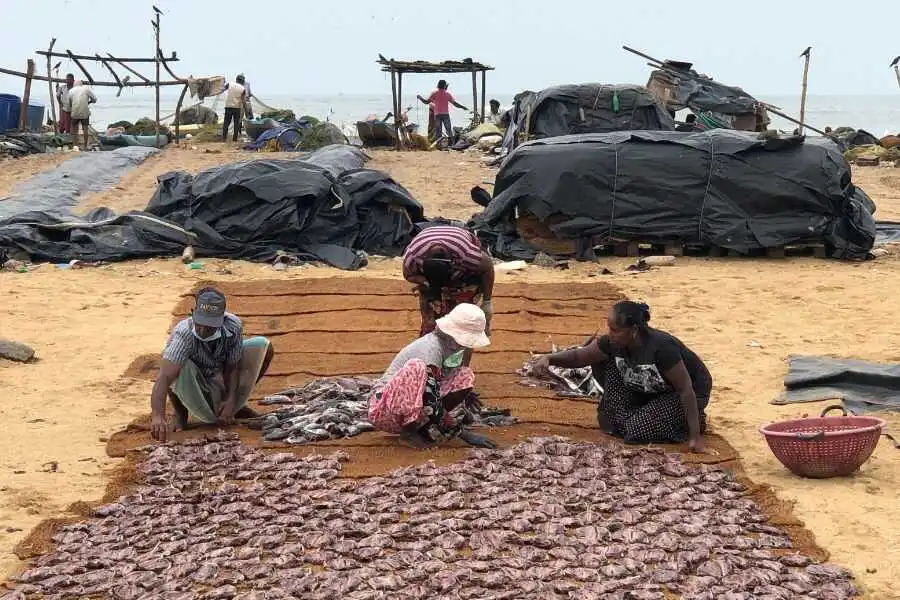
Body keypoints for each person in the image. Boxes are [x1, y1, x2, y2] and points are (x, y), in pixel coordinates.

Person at [533, 301, 711, 452]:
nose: (610, 334)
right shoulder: (613, 343)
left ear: (633, 330)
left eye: (616, 330)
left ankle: (692, 422)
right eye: (609, 329)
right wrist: (549, 359)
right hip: (649, 388)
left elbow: (685, 389)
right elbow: (580, 357)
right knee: (609, 421)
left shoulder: (662, 347)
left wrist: (695, 437)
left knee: (638, 430)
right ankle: (650, 412)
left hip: (687, 393)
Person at [149, 287, 275, 442]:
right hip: (193, 380)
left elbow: (232, 367)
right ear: (193, 313)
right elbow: (164, 377)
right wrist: (157, 416)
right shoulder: (185, 334)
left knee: (264, 346)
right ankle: (180, 412)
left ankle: (237, 406)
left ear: (222, 320)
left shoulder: (233, 327)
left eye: (209, 326)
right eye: (199, 323)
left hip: (217, 373)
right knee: (177, 365)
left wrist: (231, 399)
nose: (202, 330)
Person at [368, 303, 496, 449]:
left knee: (464, 375)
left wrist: (463, 398)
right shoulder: (431, 349)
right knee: (416, 367)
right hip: (384, 410)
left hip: (413, 409)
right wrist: (462, 433)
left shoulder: (449, 348)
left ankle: (421, 427)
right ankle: (408, 432)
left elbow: (441, 384)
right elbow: (431, 398)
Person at [402, 225, 495, 339]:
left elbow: (488, 268)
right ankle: (429, 336)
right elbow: (408, 275)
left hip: (464, 275)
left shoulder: (466, 254)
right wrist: (424, 281)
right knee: (431, 321)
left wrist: (487, 302)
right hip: (430, 280)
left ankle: (461, 341)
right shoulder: (413, 256)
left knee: (462, 325)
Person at [68, 80, 97, 149]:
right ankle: (85, 146)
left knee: (75, 129)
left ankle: (75, 146)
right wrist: (89, 102)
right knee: (85, 129)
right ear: (81, 84)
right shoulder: (86, 89)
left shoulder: (71, 91)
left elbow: (70, 103)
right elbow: (95, 99)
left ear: (74, 84)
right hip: (84, 112)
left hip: (75, 112)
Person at [222, 74, 250, 142]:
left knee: (226, 123)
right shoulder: (243, 89)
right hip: (236, 108)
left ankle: (224, 139)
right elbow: (243, 101)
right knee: (236, 124)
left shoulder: (230, 84)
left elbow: (222, 89)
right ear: (243, 81)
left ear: (236, 80)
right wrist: (246, 112)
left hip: (228, 106)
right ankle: (235, 139)